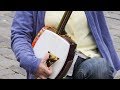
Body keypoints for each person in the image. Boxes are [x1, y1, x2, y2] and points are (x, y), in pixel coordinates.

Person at [11, 11, 120, 79]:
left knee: (99, 68)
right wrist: (33, 63)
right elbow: (20, 35)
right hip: (53, 60)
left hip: (89, 57)